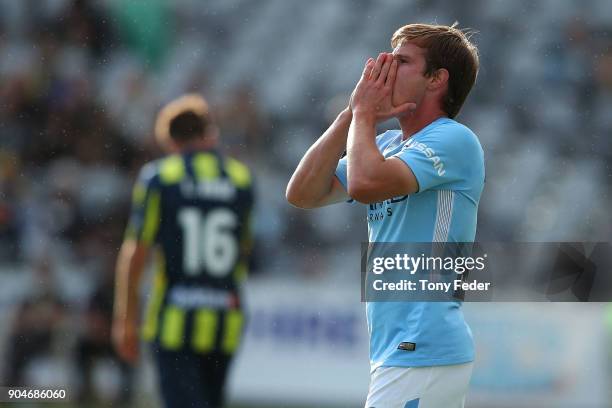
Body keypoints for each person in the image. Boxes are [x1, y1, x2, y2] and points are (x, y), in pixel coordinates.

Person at [286, 23, 484, 408]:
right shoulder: (389, 144)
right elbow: (302, 193)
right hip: (404, 351)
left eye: (403, 61)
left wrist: (363, 115)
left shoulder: (454, 140)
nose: (385, 68)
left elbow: (363, 183)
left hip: (421, 345)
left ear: (436, 80)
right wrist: (349, 115)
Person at [112, 94, 254, 408]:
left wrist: (125, 318)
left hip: (173, 318)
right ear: (210, 133)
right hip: (226, 316)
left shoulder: (160, 177)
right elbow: (243, 250)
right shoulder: (241, 179)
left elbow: (136, 251)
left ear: (170, 141)